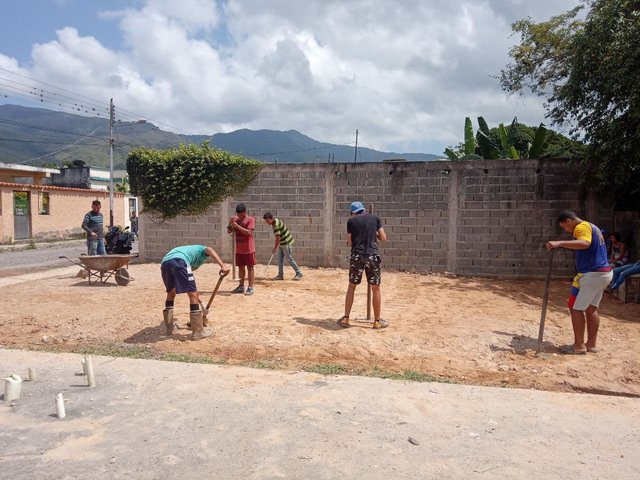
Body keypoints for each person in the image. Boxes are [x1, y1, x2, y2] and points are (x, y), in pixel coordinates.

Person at [546, 211, 613, 354]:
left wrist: (560, 243)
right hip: (604, 273)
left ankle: (579, 346)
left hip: (593, 275)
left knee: (575, 308)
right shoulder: (592, 226)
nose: (567, 230)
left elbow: (585, 243)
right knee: (591, 308)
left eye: (564, 227)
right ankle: (591, 344)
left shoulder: (581, 227)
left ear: (569, 221)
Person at [161, 244, 229, 340]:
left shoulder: (188, 252)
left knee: (171, 292)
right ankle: (197, 332)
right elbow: (209, 249)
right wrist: (223, 265)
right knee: (192, 293)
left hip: (165, 263)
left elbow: (189, 287)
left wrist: (202, 304)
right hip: (179, 261)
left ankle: (169, 329)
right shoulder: (201, 249)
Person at [338, 201, 387, 329]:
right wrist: (372, 234)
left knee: (351, 287)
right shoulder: (375, 219)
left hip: (357, 256)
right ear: (363, 209)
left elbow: (349, 241)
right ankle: (377, 321)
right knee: (375, 288)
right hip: (372, 255)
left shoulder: (351, 222)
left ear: (354, 212)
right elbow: (383, 237)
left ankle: (346, 318)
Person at [262, 212, 303, 281]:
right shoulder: (275, 221)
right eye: (266, 221)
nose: (267, 223)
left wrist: (274, 248)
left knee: (289, 259)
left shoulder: (276, 225)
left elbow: (277, 238)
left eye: (268, 221)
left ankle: (298, 273)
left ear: (272, 218)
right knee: (280, 260)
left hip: (286, 243)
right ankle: (280, 275)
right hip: (282, 243)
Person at [227, 203, 256, 295]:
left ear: (245, 212)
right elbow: (229, 231)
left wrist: (237, 226)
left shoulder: (250, 219)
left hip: (248, 249)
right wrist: (230, 223)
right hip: (238, 249)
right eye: (238, 214)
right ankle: (241, 286)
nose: (239, 216)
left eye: (241, 214)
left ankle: (250, 287)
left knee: (250, 267)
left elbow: (249, 232)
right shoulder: (236, 220)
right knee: (240, 268)